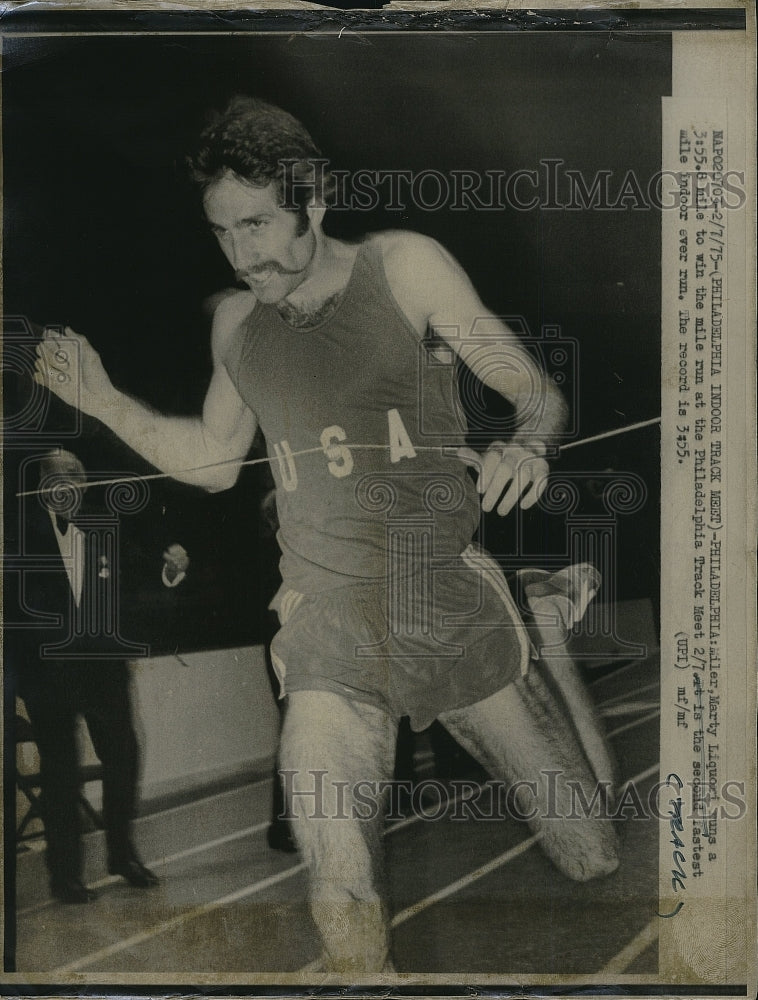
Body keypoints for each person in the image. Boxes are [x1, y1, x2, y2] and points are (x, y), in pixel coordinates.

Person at [35, 97, 619, 966]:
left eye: (261, 224)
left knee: (590, 852)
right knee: (335, 873)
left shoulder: (405, 268)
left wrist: (529, 442)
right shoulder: (237, 323)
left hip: (446, 597)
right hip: (326, 624)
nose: (244, 254)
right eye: (223, 232)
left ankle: (543, 629)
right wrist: (106, 401)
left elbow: (532, 389)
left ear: (318, 196)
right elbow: (214, 461)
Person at [8, 449, 159, 904]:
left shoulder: (100, 529)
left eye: (80, 475)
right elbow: (15, 610)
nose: (74, 483)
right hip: (48, 674)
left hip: (102, 669)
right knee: (61, 772)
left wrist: (168, 569)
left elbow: (130, 581)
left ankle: (122, 855)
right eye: (65, 475)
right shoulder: (16, 534)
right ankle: (66, 877)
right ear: (42, 484)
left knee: (124, 754)